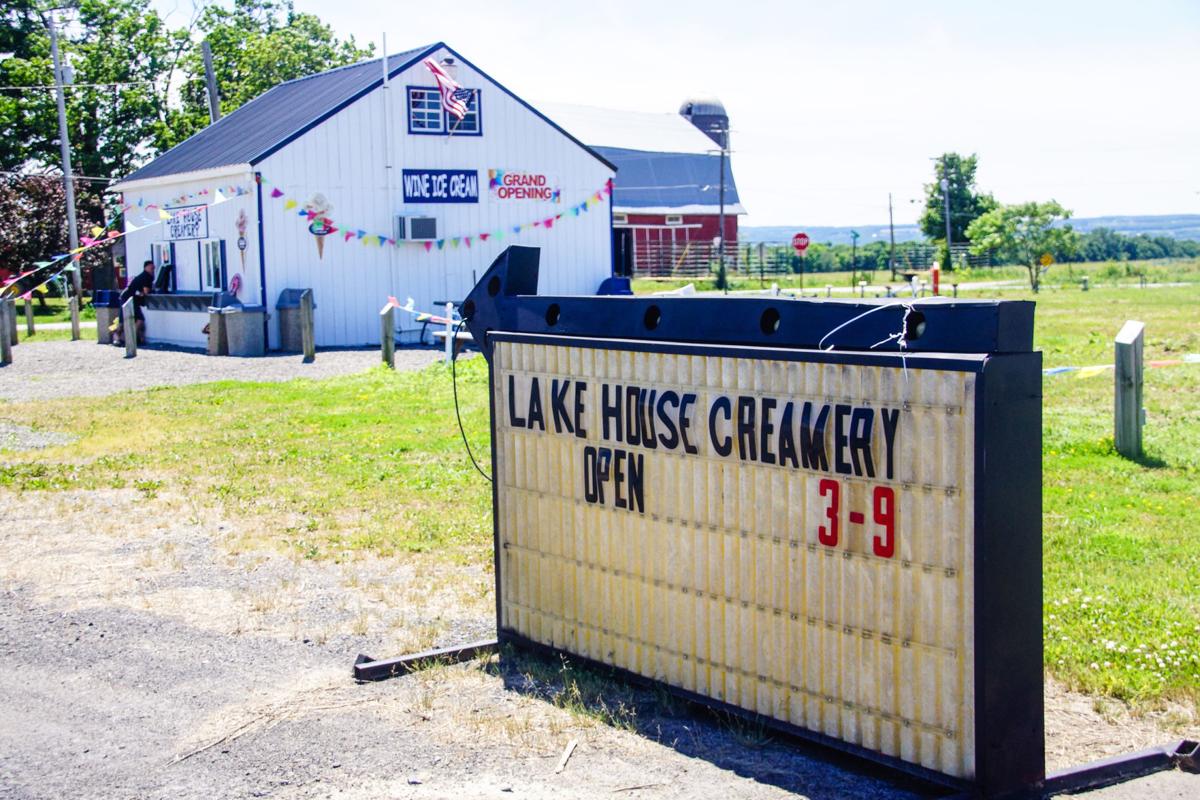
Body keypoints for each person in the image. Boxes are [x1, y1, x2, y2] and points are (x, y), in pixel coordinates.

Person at [113, 260, 155, 346]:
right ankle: (124, 338)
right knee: (126, 319)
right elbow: (146, 291)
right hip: (128, 299)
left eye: (153, 268)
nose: (153, 269)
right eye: (151, 267)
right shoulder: (147, 277)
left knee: (138, 319)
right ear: (146, 267)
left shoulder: (145, 276)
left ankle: (133, 338)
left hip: (132, 299)